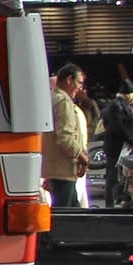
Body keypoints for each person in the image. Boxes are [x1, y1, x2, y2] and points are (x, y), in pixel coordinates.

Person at [41, 63, 90, 208]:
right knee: (67, 216)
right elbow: (65, 137)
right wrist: (82, 157)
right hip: (63, 169)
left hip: (54, 169)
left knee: (70, 212)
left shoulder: (51, 98)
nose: (80, 88)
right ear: (69, 79)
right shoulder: (63, 102)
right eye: (79, 83)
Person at [98, 90, 133, 207]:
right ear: (128, 94)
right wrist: (130, 140)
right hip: (116, 146)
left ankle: (119, 199)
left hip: (119, 145)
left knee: (118, 175)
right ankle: (110, 204)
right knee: (112, 176)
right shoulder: (116, 106)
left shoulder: (120, 105)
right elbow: (117, 126)